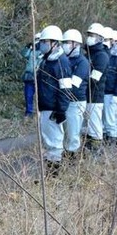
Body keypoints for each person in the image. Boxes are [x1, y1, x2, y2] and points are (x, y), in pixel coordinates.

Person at [36, 25, 72, 176]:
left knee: (55, 142)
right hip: (45, 107)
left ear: (55, 43)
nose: (42, 44)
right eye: (42, 41)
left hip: (53, 108)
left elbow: (65, 89)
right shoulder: (46, 60)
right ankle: (49, 174)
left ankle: (53, 176)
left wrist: (61, 110)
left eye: (46, 41)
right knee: (48, 141)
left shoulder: (61, 62)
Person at [62, 29, 89, 160]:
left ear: (75, 44)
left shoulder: (83, 62)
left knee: (73, 133)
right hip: (64, 101)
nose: (64, 45)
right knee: (65, 131)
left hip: (76, 101)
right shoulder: (64, 60)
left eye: (67, 42)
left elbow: (73, 84)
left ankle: (73, 159)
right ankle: (66, 155)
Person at [84, 22, 110, 154]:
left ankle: (96, 152)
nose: (89, 37)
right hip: (85, 97)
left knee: (94, 127)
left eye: (92, 35)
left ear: (100, 38)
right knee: (86, 127)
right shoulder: (87, 53)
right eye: (88, 34)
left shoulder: (101, 56)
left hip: (94, 97)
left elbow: (94, 80)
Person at [20, 33, 42, 118]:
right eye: (35, 39)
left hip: (39, 76)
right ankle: (29, 112)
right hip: (29, 76)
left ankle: (40, 111)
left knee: (41, 95)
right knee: (28, 95)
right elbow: (24, 54)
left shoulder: (44, 52)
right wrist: (27, 47)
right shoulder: (32, 51)